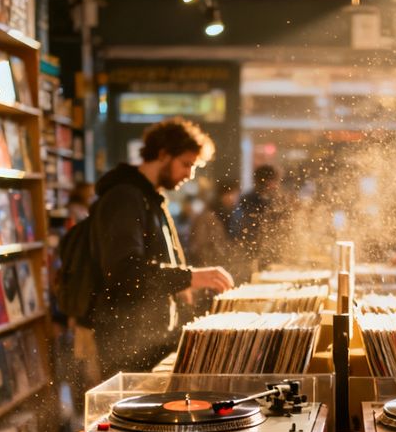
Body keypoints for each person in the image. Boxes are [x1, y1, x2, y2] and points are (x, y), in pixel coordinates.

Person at [88, 118, 234, 378]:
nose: (190, 174)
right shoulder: (125, 198)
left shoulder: (152, 198)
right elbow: (124, 270)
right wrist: (189, 277)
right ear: (164, 154)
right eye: (186, 164)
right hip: (127, 343)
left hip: (148, 338)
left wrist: (183, 285)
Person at [231, 165, 292, 269]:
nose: (276, 185)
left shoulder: (278, 199)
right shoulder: (248, 200)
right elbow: (241, 228)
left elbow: (285, 226)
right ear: (265, 181)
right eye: (274, 181)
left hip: (274, 251)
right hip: (251, 252)